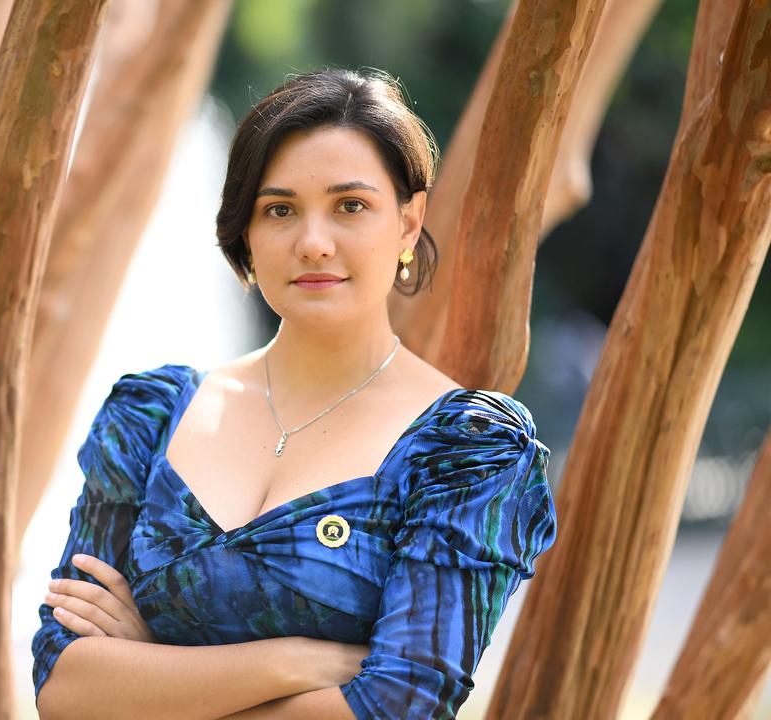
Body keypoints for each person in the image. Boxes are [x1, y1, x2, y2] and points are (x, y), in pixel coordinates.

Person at [31, 67, 558, 720]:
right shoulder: (151, 417)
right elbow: (62, 686)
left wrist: (150, 680)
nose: (313, 242)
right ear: (246, 234)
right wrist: (295, 663)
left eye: (350, 206)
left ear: (407, 221)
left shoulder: (464, 452)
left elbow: (401, 707)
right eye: (280, 209)